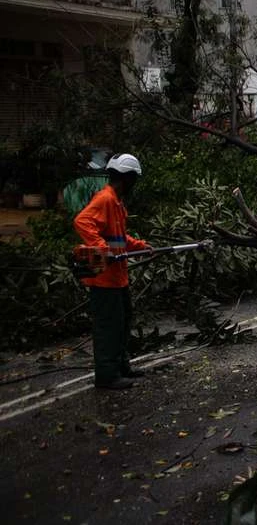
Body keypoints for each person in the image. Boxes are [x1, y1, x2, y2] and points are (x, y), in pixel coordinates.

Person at [74, 153, 152, 390]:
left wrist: (140, 246)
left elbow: (118, 237)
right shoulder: (105, 199)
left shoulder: (117, 203)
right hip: (104, 279)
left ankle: (121, 367)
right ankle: (107, 375)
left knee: (123, 321)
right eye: (133, 180)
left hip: (118, 277)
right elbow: (82, 221)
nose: (134, 185)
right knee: (109, 326)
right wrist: (101, 249)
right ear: (127, 178)